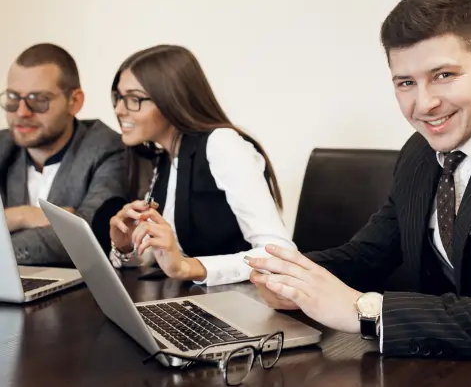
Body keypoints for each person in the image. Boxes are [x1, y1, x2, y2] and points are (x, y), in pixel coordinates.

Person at [247, 0, 471, 385]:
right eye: (405, 83)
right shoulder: (419, 154)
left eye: (443, 76)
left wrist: (364, 311)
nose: (424, 104)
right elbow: (369, 254)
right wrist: (294, 278)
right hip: (443, 371)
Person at [107, 44, 295, 286]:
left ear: (170, 100)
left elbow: (278, 253)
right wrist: (125, 246)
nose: (119, 109)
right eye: (119, 97)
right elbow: (165, 258)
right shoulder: (166, 158)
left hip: (246, 304)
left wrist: (189, 267)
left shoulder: (222, 144)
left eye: (133, 99)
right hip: (201, 303)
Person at [0, 43, 128, 265]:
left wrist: (9, 224)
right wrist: (24, 215)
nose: (21, 112)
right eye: (13, 98)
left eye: (38, 100)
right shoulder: (3, 145)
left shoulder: (107, 148)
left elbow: (86, 238)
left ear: (74, 102)